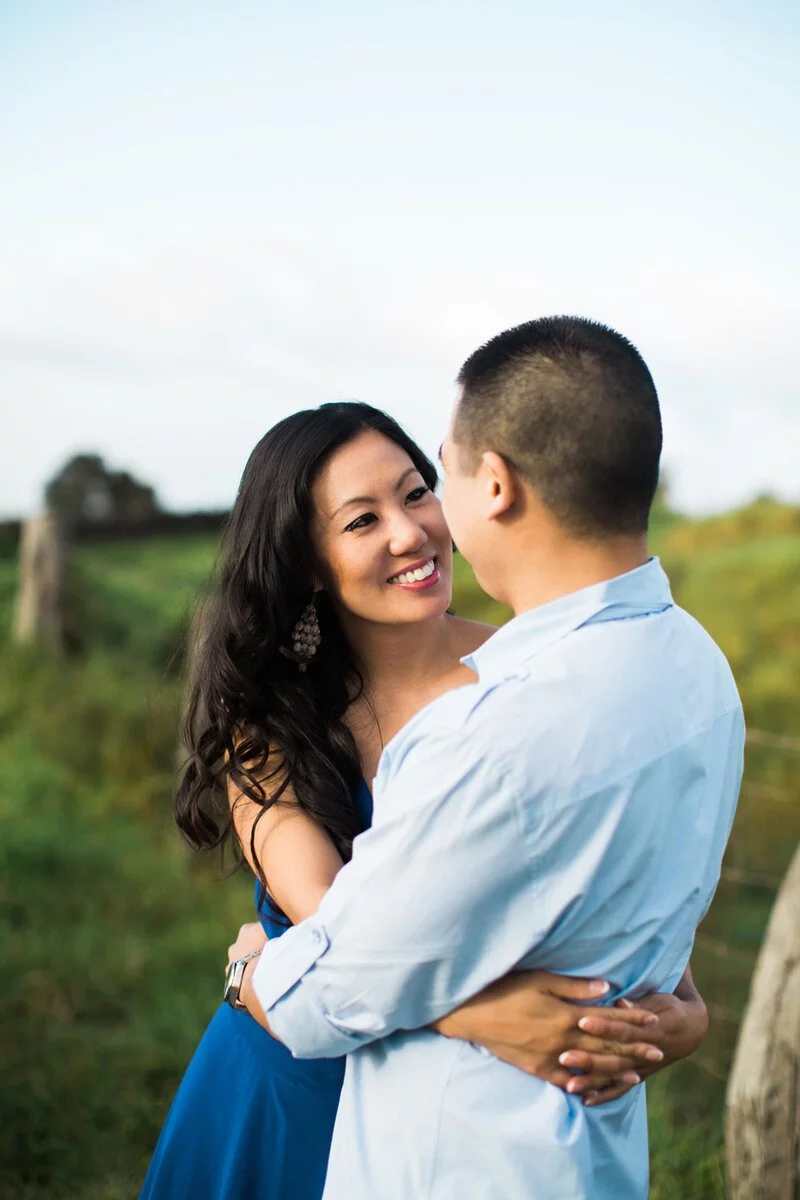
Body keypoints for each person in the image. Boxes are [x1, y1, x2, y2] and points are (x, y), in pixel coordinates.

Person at [228, 318, 744, 1199]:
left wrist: (247, 966)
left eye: (431, 479)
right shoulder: (696, 665)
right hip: (552, 1149)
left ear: (492, 483)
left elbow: (319, 991)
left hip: (458, 1158)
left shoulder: (492, 729)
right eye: (360, 519)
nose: (414, 528)